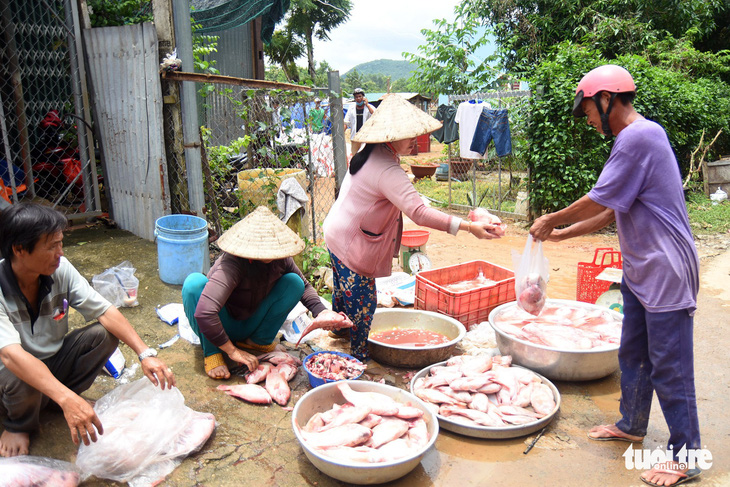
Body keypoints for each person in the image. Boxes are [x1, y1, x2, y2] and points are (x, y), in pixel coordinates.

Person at [529, 65, 701, 487]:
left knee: (671, 367)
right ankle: (632, 424)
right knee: (633, 354)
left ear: (606, 99)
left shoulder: (638, 137)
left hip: (666, 270)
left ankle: (688, 455)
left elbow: (597, 199)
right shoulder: (637, 139)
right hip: (642, 270)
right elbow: (611, 209)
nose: (587, 118)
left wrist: (551, 218)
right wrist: (562, 233)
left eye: (587, 108)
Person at [323, 93, 503, 362]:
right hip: (351, 244)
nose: (414, 139)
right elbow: (418, 212)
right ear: (389, 136)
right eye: (407, 135)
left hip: (335, 234)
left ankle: (338, 330)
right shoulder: (386, 169)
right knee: (363, 303)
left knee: (343, 291)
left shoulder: (369, 154)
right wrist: (467, 227)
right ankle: (358, 358)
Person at [0, 203, 175, 458]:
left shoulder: (60, 269)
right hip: (10, 378)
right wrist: (67, 398)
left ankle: (55, 401)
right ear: (19, 249)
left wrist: (145, 353)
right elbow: (10, 355)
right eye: (51, 246)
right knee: (20, 371)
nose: (60, 253)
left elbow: (104, 310)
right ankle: (18, 424)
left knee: (103, 335)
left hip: (51, 363)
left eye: (61, 243)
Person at [182, 206, 351, 380]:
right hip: (221, 324)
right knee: (193, 284)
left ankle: (257, 341)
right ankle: (212, 351)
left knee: (294, 282)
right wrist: (233, 352)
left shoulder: (281, 260)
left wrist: (322, 312)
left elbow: (305, 287)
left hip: (250, 323)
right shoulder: (232, 263)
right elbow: (205, 313)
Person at [344, 88, 375, 155]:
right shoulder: (351, 108)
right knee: (355, 156)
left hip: (366, 138)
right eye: (356, 97)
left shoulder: (369, 107)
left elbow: (375, 115)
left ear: (363, 97)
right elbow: (346, 122)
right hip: (355, 138)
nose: (358, 98)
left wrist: (367, 105)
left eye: (360, 96)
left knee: (366, 156)